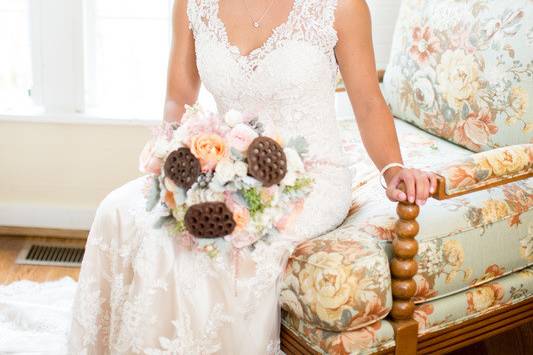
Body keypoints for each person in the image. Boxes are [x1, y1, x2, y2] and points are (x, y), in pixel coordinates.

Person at [68, 0, 437, 353]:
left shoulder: (341, 7)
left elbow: (369, 100)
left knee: (208, 253)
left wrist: (393, 168)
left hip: (309, 180)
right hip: (225, 167)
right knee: (118, 211)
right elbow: (179, 95)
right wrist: (176, 160)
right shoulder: (194, 3)